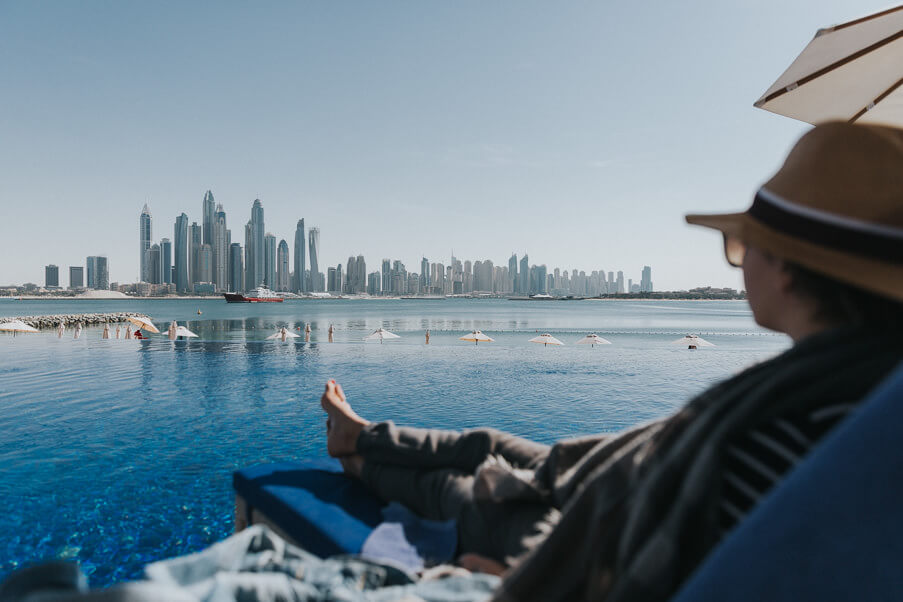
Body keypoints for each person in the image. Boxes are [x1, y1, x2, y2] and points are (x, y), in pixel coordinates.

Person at [322, 122, 903, 601]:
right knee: (489, 442)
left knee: (465, 491)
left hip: (601, 539)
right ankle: (361, 434)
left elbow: (670, 564)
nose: (738, 261)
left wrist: (527, 578)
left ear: (788, 269)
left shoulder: (777, 435)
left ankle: (358, 462)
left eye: (743, 245)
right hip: (622, 490)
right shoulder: (856, 391)